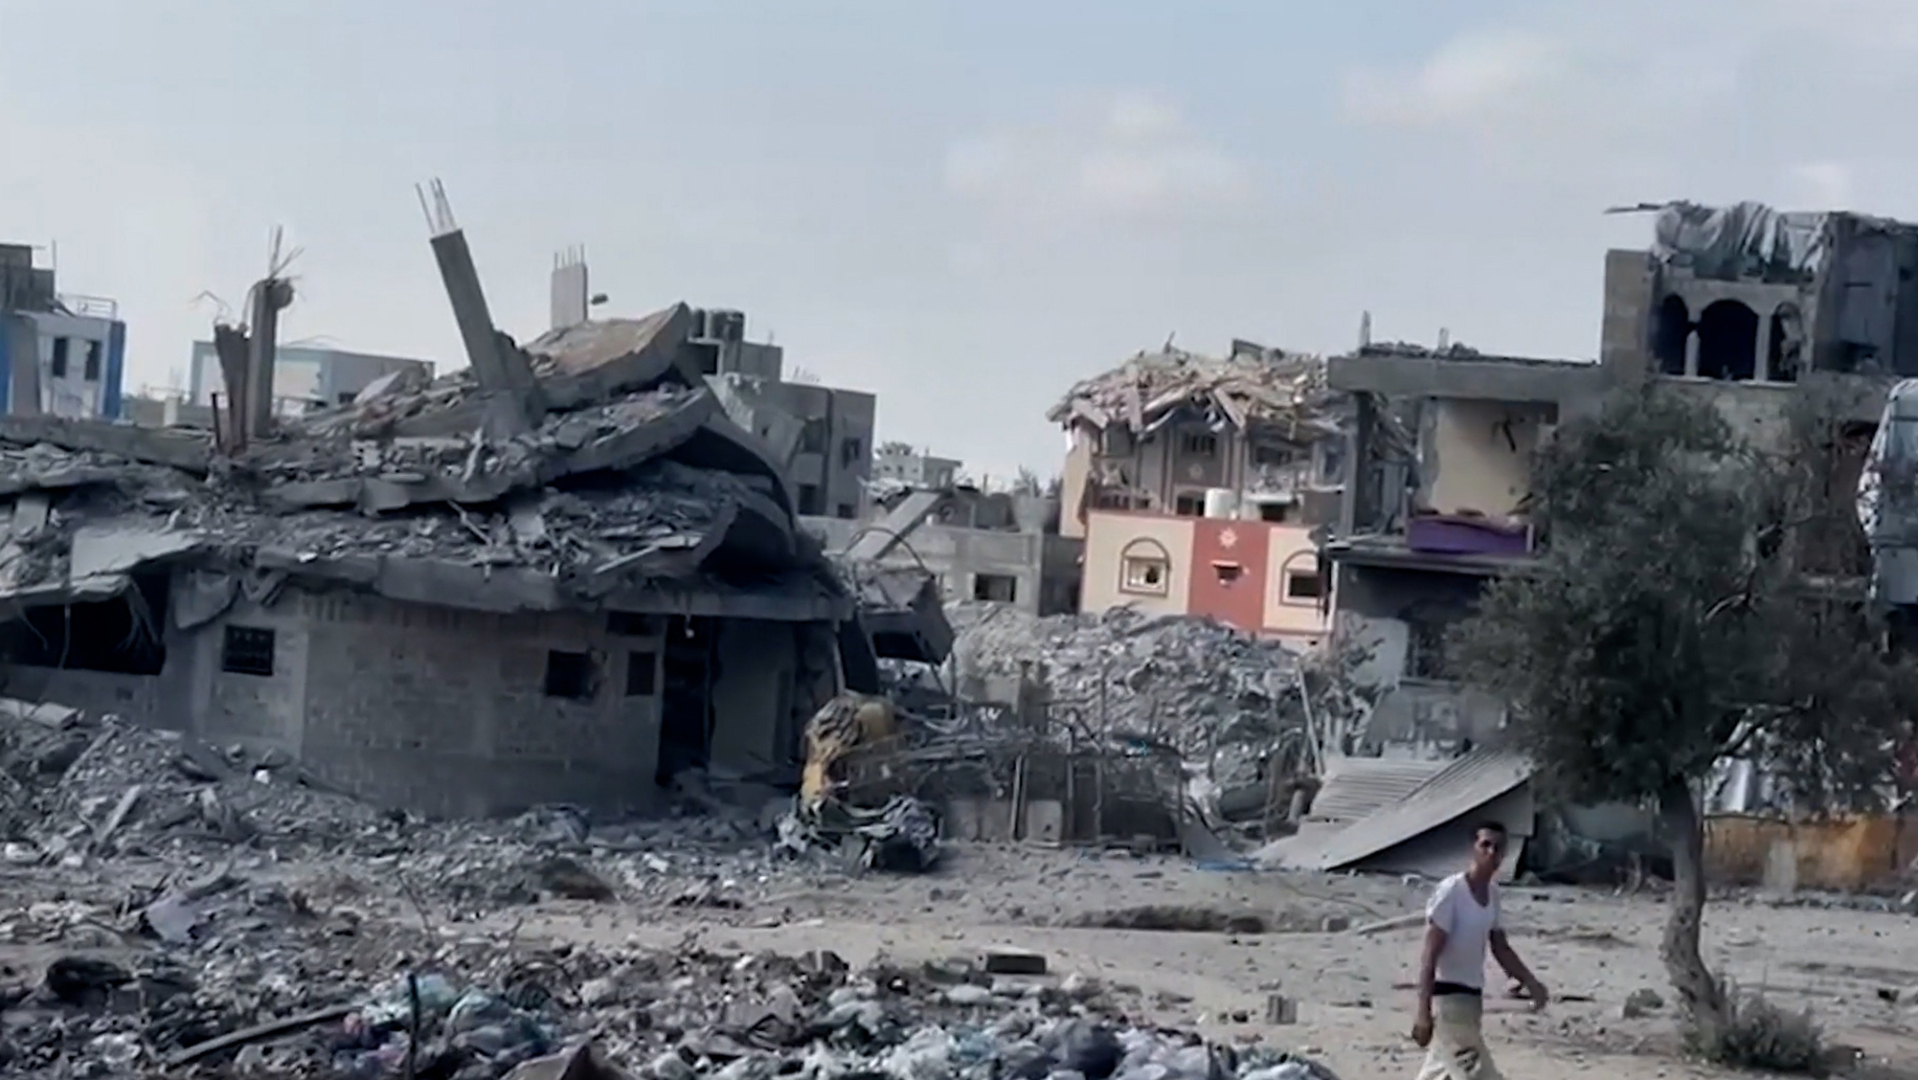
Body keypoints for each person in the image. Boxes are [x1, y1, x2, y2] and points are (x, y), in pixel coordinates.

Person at [1411, 821, 1547, 1079]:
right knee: (1477, 1073)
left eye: (1498, 848)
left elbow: (1500, 947)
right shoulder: (1452, 892)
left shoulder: (1492, 894)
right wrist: (1422, 1012)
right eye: (1485, 845)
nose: (1491, 852)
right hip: (1449, 1000)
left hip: (1471, 1000)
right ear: (1473, 848)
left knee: (1440, 1071)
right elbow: (1429, 955)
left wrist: (1530, 981)